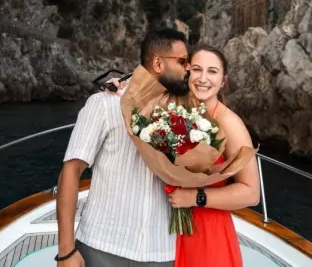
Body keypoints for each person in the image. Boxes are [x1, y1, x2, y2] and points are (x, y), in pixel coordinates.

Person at [56, 27, 190, 267]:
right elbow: (71, 170)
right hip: (104, 246)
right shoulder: (104, 103)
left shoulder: (185, 113)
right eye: (182, 61)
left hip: (164, 251)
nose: (187, 68)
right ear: (158, 63)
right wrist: (66, 252)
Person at [167, 44, 260, 267]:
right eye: (197, 69)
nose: (203, 78)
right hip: (170, 232)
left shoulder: (230, 123)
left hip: (208, 234)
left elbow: (251, 193)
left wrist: (196, 197)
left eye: (212, 71)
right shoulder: (176, 111)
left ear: (223, 80)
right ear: (187, 71)